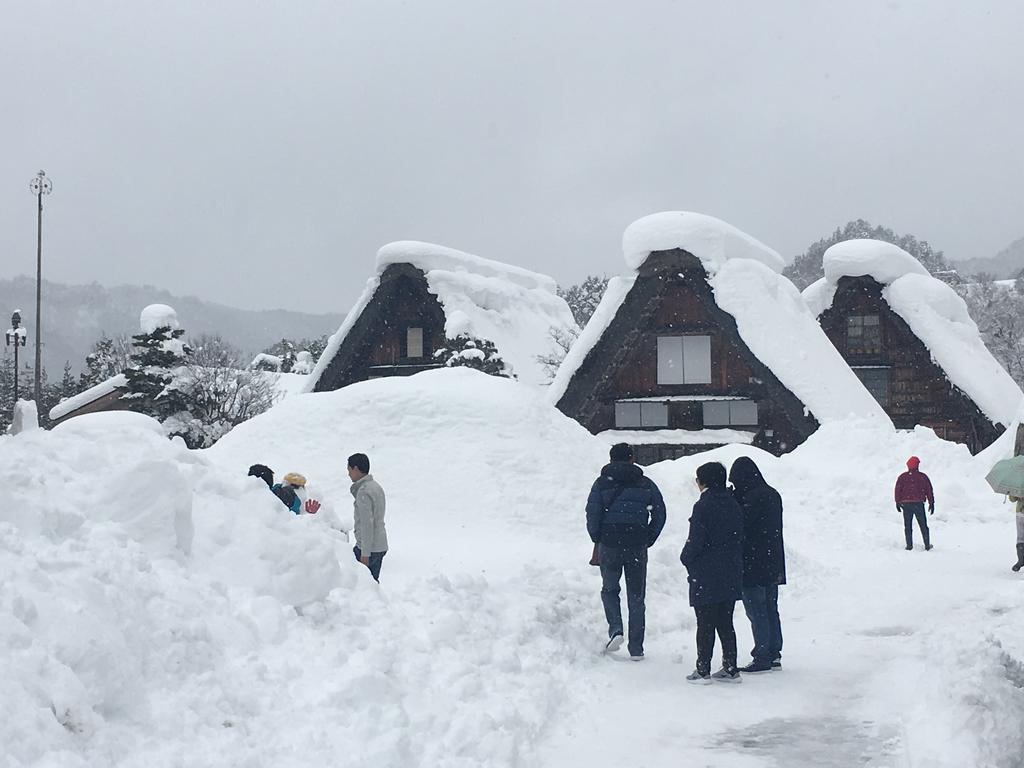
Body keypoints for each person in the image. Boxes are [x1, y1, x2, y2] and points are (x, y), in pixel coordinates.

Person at [585, 443, 667, 661]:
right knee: (636, 596)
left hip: (609, 543)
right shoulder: (645, 483)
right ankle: (637, 648)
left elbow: (592, 512)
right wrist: (648, 537)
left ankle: (616, 629)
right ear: (632, 458)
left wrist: (597, 537)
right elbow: (660, 513)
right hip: (637, 544)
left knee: (610, 589)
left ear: (611, 459)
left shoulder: (601, 483)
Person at [680, 461, 744, 684]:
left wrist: (685, 557)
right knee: (725, 621)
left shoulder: (703, 506)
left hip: (706, 571)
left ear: (703, 481)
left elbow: (696, 540)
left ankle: (703, 668)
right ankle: (731, 667)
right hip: (730, 569)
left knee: (705, 622)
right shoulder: (733, 503)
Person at [729, 457, 786, 674]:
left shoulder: (750, 498)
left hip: (752, 561)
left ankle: (762, 654)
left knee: (756, 610)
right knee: (771, 608)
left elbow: (741, 525)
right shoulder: (771, 493)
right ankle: (774, 652)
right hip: (773, 560)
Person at [348, 453, 388, 582]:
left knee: (363, 587)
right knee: (372, 586)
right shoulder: (376, 486)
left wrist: (365, 554)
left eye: (349, 470)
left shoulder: (363, 492)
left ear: (355, 469)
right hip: (379, 545)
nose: (348, 474)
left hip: (368, 548)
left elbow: (367, 524)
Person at [895, 456, 934, 551]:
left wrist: (897, 502)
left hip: (906, 505)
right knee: (923, 525)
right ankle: (927, 545)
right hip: (918, 504)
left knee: (907, 526)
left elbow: (897, 490)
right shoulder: (923, 477)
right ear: (917, 465)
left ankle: (909, 545)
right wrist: (931, 502)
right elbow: (929, 490)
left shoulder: (902, 477)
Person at [1009, 495, 1024, 572]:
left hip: (1020, 514)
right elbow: (1012, 499)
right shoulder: (1018, 485)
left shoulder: (1018, 483)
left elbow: (1012, 499)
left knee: (1021, 538)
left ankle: (1021, 561)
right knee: (1020, 538)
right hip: (1020, 515)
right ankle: (1021, 560)